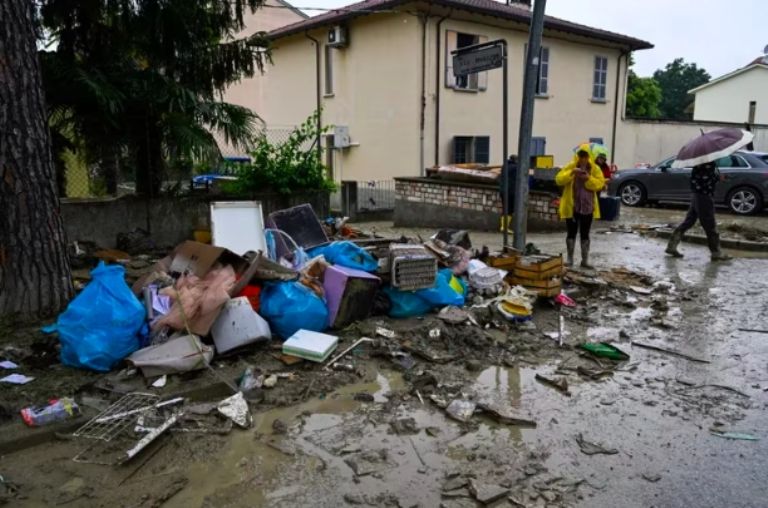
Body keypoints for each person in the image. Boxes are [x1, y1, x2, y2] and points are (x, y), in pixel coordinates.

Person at [665, 161, 731, 261]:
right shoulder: (706, 164)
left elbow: (700, 179)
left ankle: (671, 246)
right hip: (704, 196)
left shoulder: (700, 163)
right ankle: (716, 252)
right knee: (710, 224)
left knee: (689, 221)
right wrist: (718, 178)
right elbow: (705, 180)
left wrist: (717, 176)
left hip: (697, 195)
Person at [555, 144, 606, 268]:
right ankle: (570, 259)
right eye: (581, 156)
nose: (583, 159)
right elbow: (558, 180)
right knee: (571, 233)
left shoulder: (595, 169)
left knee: (585, 233)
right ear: (577, 156)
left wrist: (588, 178)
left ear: (589, 157)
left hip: (588, 207)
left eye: (585, 156)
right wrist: (572, 172)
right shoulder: (571, 166)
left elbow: (600, 184)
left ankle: (585, 261)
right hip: (572, 207)